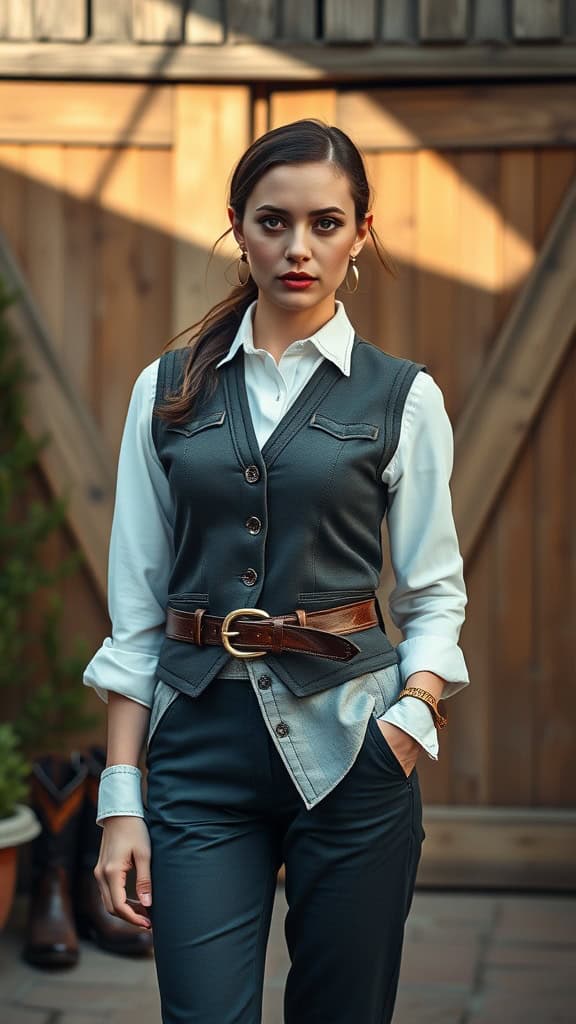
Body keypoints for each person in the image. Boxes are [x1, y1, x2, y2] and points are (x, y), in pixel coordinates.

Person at [84, 119, 470, 1024]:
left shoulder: (404, 397)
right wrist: (119, 800)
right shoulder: (168, 388)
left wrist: (411, 718)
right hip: (196, 757)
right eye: (273, 222)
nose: (299, 248)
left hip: (356, 747)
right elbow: (138, 610)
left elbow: (433, 591)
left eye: (326, 224)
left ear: (361, 234)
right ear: (238, 227)